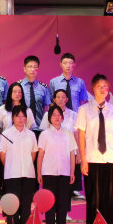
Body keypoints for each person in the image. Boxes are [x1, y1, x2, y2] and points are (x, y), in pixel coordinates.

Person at [76, 74, 113, 224]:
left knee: (107, 198)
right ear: (93, 89)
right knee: (92, 198)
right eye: (99, 86)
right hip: (91, 158)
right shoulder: (84, 110)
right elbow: (81, 136)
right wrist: (83, 159)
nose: (103, 89)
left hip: (110, 158)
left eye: (105, 86)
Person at [49, 53, 89, 199]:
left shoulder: (80, 82)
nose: (68, 65)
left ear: (74, 65)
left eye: (71, 63)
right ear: (61, 65)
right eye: (65, 63)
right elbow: (51, 102)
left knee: (76, 152)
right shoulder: (54, 82)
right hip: (59, 119)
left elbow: (83, 102)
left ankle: (76, 188)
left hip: (75, 119)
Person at [36, 105, 77, 224]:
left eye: (59, 115)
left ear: (62, 118)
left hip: (64, 172)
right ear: (49, 118)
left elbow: (72, 154)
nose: (57, 117)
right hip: (48, 172)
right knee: (49, 203)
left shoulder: (68, 134)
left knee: (62, 203)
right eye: (54, 115)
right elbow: (40, 154)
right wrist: (39, 172)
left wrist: (72, 172)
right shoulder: (44, 134)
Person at [1, 106, 38, 224]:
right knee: (13, 203)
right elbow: (2, 154)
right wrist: (11, 165)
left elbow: (33, 153)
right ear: (13, 118)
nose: (21, 119)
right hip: (12, 173)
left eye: (23, 116)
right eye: (18, 116)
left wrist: (27, 164)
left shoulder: (31, 135)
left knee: (26, 203)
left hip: (28, 174)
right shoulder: (6, 134)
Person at [19, 56, 51, 136]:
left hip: (40, 128)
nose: (33, 69)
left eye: (35, 67)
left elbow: (46, 108)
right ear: (24, 69)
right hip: (23, 127)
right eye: (30, 67)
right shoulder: (18, 87)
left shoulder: (43, 87)